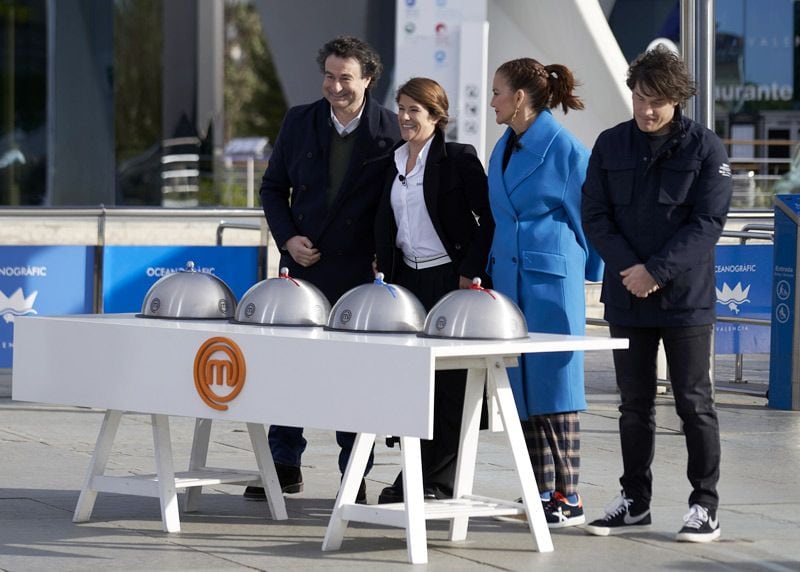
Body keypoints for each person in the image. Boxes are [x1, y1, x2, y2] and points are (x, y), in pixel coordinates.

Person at [581, 45, 732, 542]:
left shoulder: (705, 149)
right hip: (627, 295)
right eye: (640, 98)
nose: (647, 110)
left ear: (677, 100)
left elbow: (707, 223)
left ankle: (703, 504)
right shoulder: (610, 145)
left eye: (657, 102)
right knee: (632, 404)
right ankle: (634, 501)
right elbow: (595, 216)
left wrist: (657, 272)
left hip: (685, 300)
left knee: (693, 401)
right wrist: (630, 269)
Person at [249, 36, 401, 504]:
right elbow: (273, 189)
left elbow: (398, 203)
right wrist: (288, 238)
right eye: (330, 76)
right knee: (287, 367)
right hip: (300, 268)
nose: (336, 86)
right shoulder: (299, 120)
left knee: (353, 376)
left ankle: (353, 475)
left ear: (368, 79)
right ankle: (283, 463)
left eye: (346, 78)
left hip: (358, 274)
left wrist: (384, 253)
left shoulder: (391, 129)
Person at [485, 58, 602, 529]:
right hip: (510, 282)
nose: (491, 99)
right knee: (524, 387)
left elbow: (589, 219)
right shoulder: (506, 146)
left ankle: (568, 495)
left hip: (551, 281)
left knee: (557, 383)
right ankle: (539, 489)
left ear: (519, 98)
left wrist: (589, 274)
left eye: (497, 92)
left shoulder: (566, 149)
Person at [373, 77, 494, 503]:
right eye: (402, 108)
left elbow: (487, 220)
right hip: (407, 281)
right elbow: (386, 222)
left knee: (451, 387)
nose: (405, 117)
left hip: (451, 279)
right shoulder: (391, 160)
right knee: (413, 384)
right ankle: (413, 474)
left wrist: (470, 270)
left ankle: (437, 482)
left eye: (415, 111)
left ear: (436, 117)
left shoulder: (459, 159)